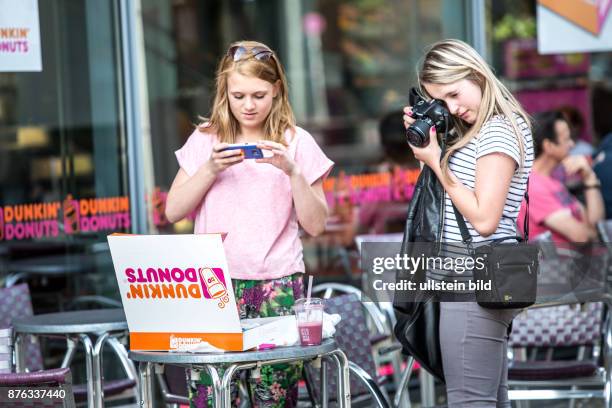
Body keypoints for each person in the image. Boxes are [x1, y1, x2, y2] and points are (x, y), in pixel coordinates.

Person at [165, 40, 333, 408]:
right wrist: (209, 169)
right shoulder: (207, 138)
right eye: (238, 95)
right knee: (211, 397)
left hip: (277, 283)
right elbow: (172, 211)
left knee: (273, 398)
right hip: (212, 284)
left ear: (277, 90)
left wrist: (292, 172)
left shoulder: (297, 141)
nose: (249, 105)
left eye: (259, 95)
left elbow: (317, 224)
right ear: (225, 92)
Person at [402, 39, 534, 407]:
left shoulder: (496, 132)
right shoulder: (497, 126)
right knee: (490, 397)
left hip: (470, 277)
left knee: (469, 400)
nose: (455, 108)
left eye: (455, 94)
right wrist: (434, 137)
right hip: (483, 274)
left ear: (477, 74)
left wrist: (435, 162)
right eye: (442, 102)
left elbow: (485, 218)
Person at [518, 111, 604, 244]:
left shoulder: (553, 181)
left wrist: (589, 179)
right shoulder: (532, 186)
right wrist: (594, 233)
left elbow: (596, 225)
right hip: (558, 263)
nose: (572, 145)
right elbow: (582, 236)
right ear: (549, 146)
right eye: (566, 139)